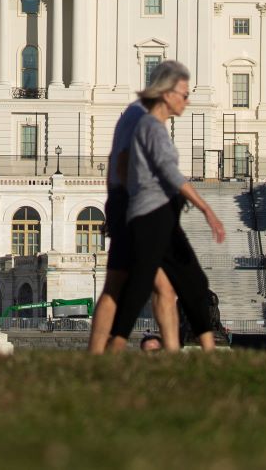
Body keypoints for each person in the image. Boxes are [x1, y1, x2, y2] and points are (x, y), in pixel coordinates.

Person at [101, 61, 225, 353]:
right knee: (147, 285)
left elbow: (121, 163)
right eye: (183, 93)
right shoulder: (151, 127)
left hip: (155, 213)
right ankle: (116, 347)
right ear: (167, 94)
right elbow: (170, 173)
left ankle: (201, 349)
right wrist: (205, 208)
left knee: (185, 283)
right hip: (152, 215)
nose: (187, 99)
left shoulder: (145, 123)